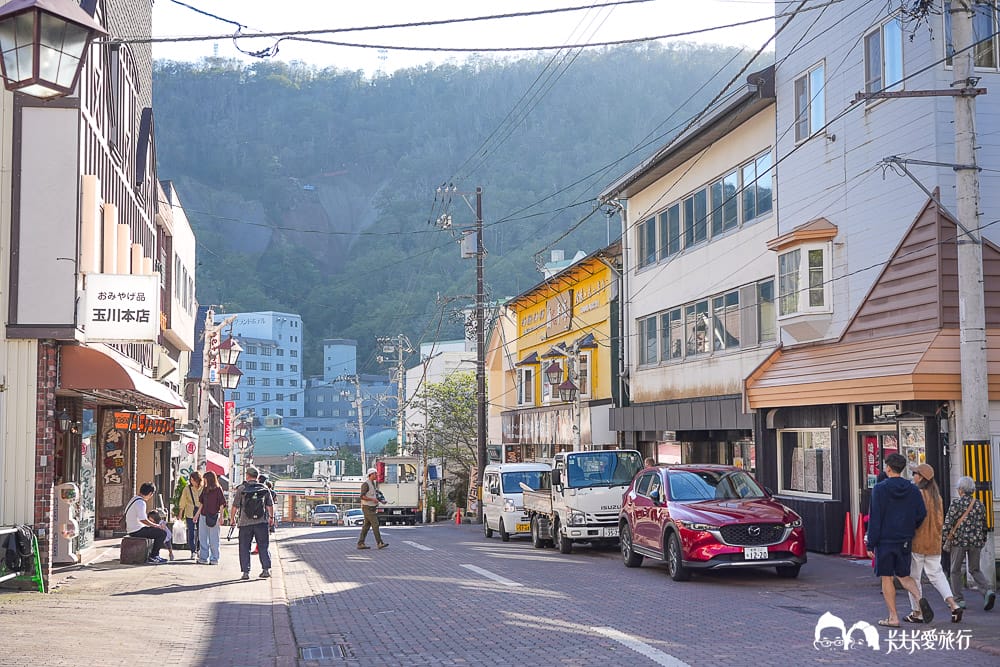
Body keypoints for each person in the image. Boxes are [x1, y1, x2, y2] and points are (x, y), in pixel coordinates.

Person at [865, 452, 931, 628]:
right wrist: (910, 527)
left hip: (885, 540)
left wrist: (870, 543)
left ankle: (893, 617)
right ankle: (919, 598)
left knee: (886, 577)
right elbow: (921, 513)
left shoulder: (879, 489)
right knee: (903, 575)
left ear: (888, 468)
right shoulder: (912, 489)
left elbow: (875, 518)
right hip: (904, 539)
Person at [903, 463, 962, 623]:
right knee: (937, 575)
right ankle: (953, 604)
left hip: (918, 542)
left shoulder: (917, 494)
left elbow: (912, 518)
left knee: (914, 577)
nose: (913, 476)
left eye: (915, 473)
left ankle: (917, 612)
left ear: (921, 477)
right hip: (934, 543)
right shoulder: (937, 498)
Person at [944, 475, 996, 612]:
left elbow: (948, 523)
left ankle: (958, 599)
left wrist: (944, 539)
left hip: (959, 542)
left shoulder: (956, 504)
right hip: (975, 542)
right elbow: (984, 524)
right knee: (975, 569)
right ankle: (987, 591)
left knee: (955, 570)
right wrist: (983, 540)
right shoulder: (979, 504)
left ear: (961, 490)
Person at [231, 466, 274, 580]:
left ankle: (246, 572)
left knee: (244, 547)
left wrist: (232, 519)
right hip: (261, 522)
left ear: (247, 476)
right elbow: (270, 505)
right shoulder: (264, 488)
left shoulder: (242, 488)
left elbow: (235, 505)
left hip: (245, 523)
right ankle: (266, 569)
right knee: (263, 546)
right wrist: (271, 517)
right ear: (257, 477)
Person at [124, 482, 168, 564]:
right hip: (137, 530)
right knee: (162, 533)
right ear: (150, 493)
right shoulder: (141, 502)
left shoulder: (134, 499)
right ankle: (154, 556)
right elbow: (143, 520)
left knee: (156, 531)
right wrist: (156, 525)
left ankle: (154, 555)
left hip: (132, 529)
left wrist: (153, 526)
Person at [194, 470, 226, 565]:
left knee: (214, 539)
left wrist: (221, 517)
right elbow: (202, 503)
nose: (204, 481)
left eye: (205, 479)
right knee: (202, 538)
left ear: (209, 479)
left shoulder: (218, 489)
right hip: (203, 515)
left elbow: (222, 504)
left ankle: (214, 558)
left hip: (214, 516)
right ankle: (204, 558)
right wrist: (197, 515)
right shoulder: (205, 489)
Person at [357, 467, 387, 550]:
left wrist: (381, 500)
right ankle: (379, 543)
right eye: (375, 474)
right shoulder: (366, 484)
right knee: (375, 524)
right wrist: (372, 499)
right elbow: (362, 496)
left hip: (372, 507)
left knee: (366, 526)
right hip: (367, 507)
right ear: (371, 474)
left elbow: (374, 495)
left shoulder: (373, 484)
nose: (376, 475)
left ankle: (360, 543)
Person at [176, 471, 203, 559]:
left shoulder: (203, 488)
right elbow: (183, 501)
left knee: (201, 533)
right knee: (191, 532)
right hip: (190, 513)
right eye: (191, 480)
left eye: (193, 480)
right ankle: (192, 551)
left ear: (198, 480)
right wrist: (180, 513)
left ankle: (199, 549)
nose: (192, 482)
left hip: (201, 513)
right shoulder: (187, 489)